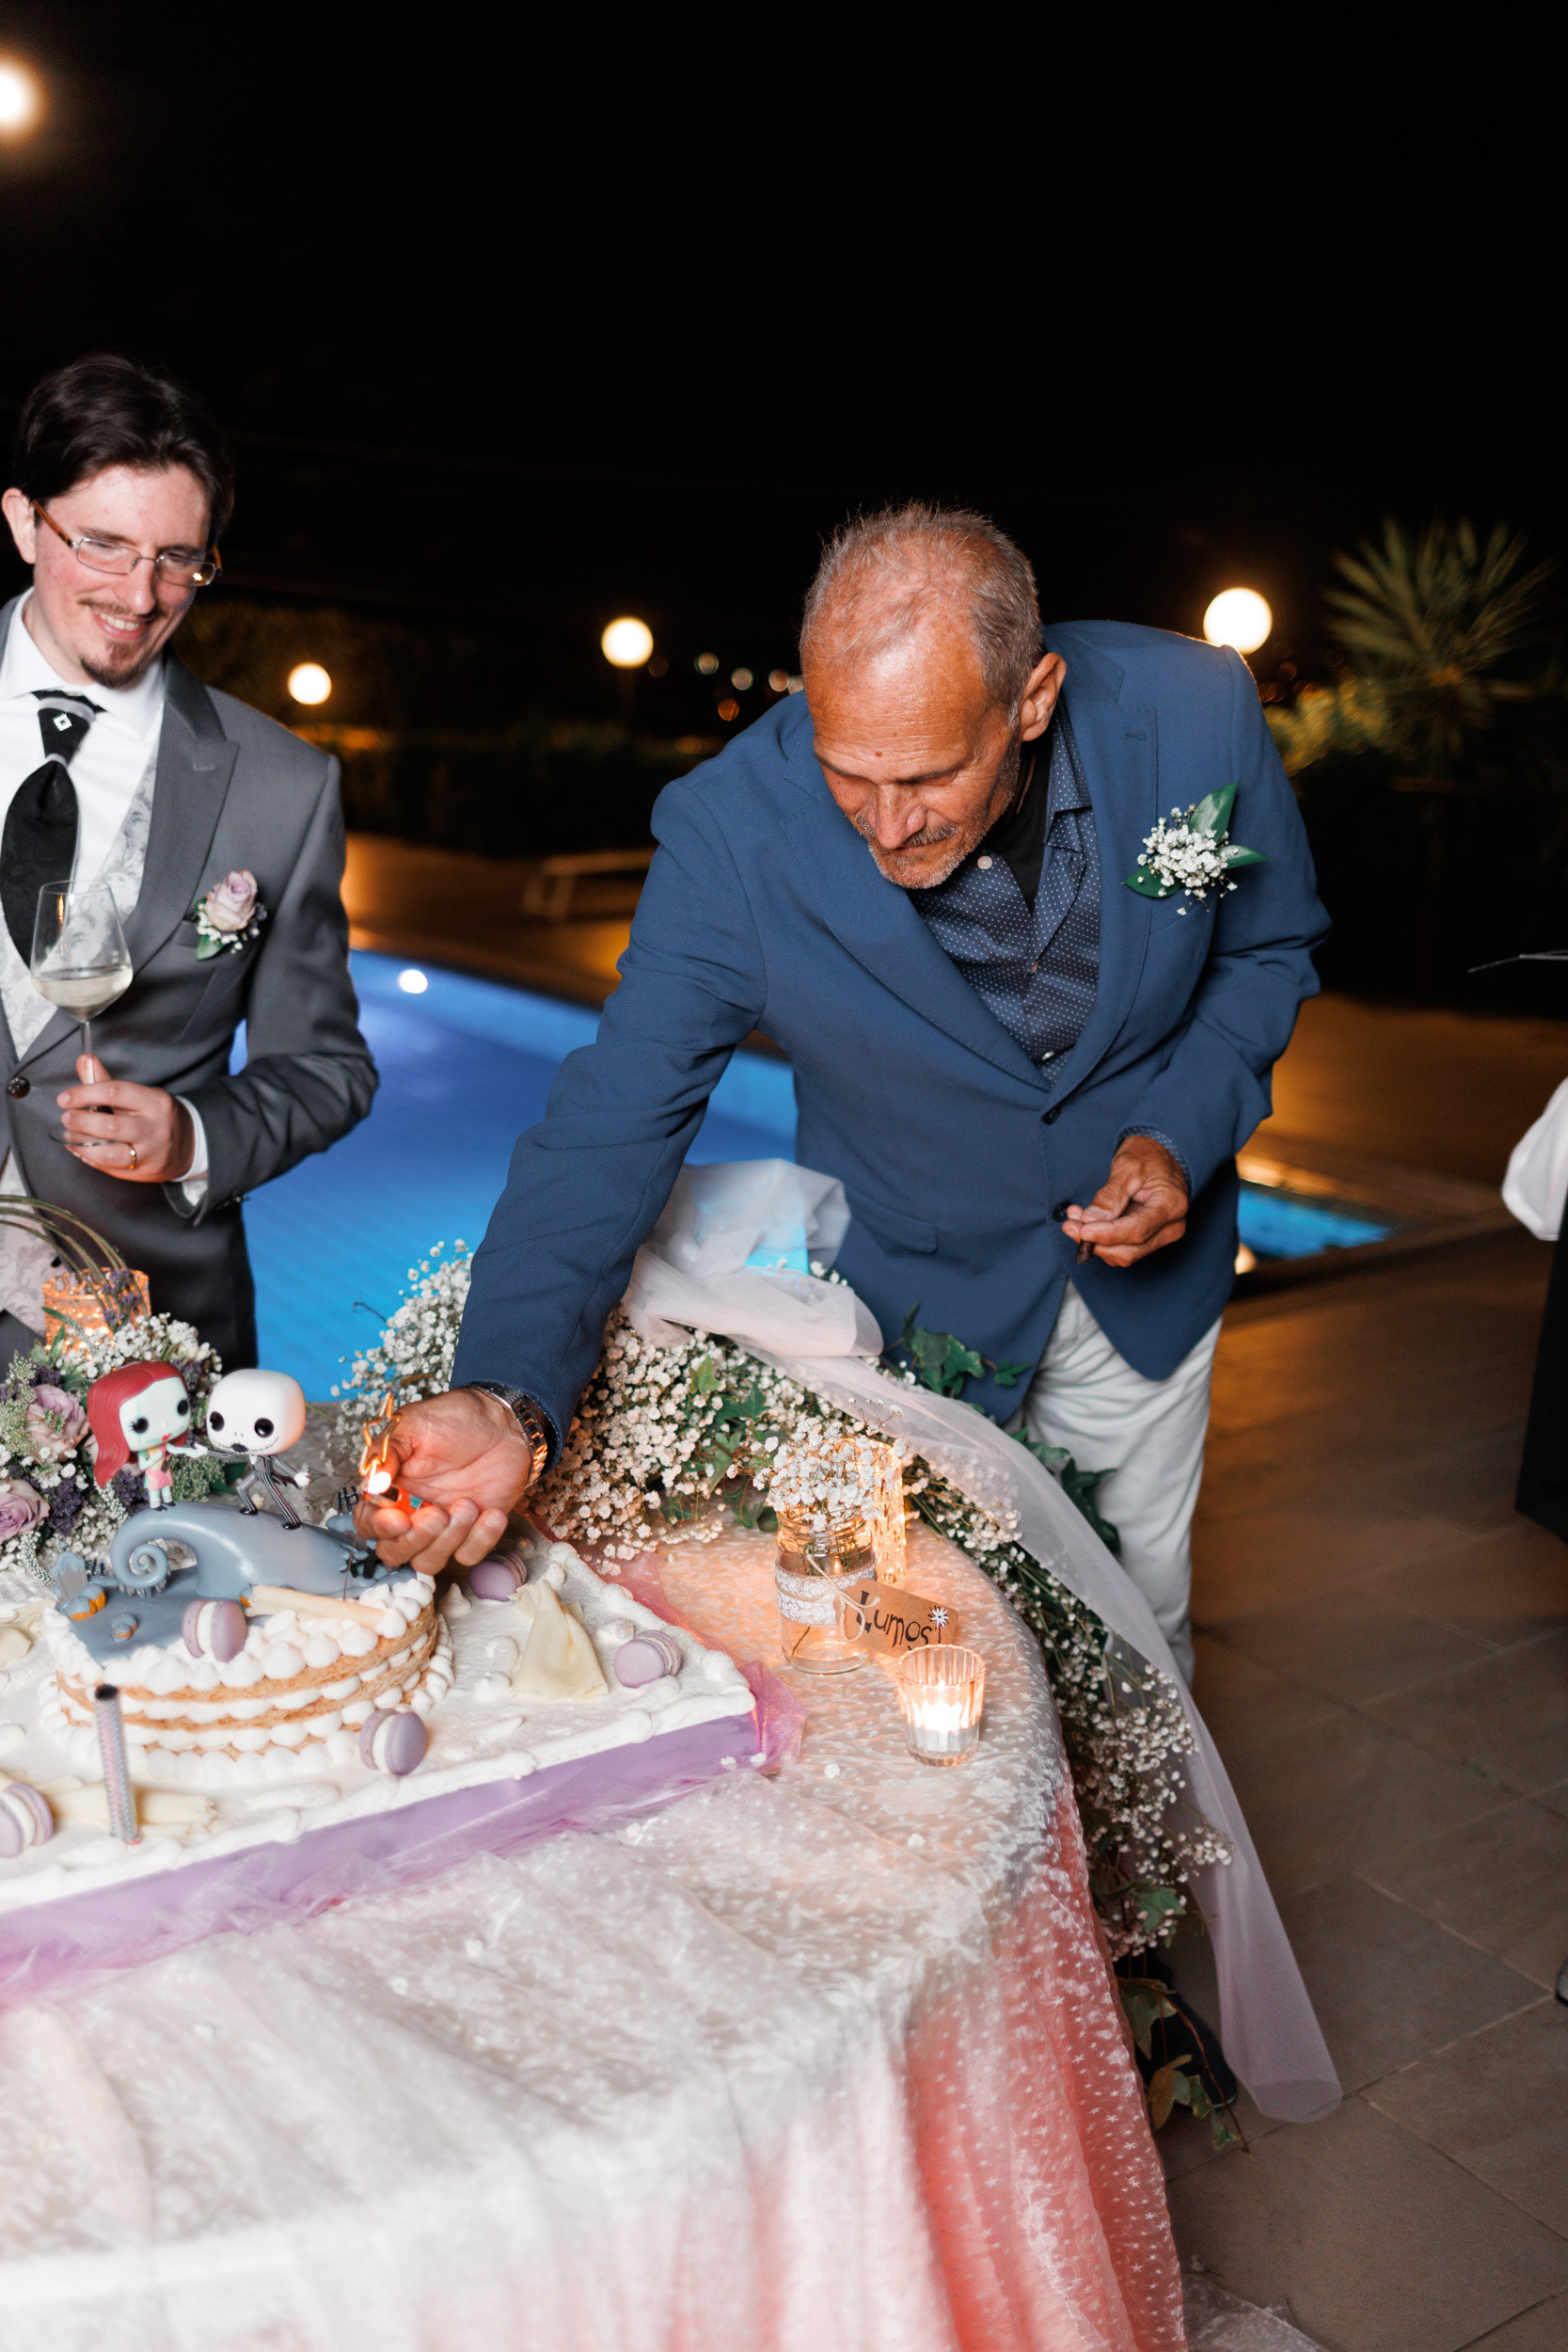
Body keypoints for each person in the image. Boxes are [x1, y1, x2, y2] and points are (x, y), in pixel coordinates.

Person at [359, 507, 1327, 1677]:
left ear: (1031, 699)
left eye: (926, 775)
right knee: (929, 1647)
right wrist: (507, 1394)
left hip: (1145, 1305)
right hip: (914, 1304)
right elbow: (611, 1119)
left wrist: (1178, 1134)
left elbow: (1262, 953)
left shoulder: (1191, 712)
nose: (885, 825)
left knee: (1136, 1631)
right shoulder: (733, 835)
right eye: (845, 773)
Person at [0, 353, 376, 1368]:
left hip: (150, 1333)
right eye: (103, 544)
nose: (140, 594)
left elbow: (328, 1070)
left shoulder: (285, 785)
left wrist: (194, 1137)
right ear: (25, 522)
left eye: (178, 558)